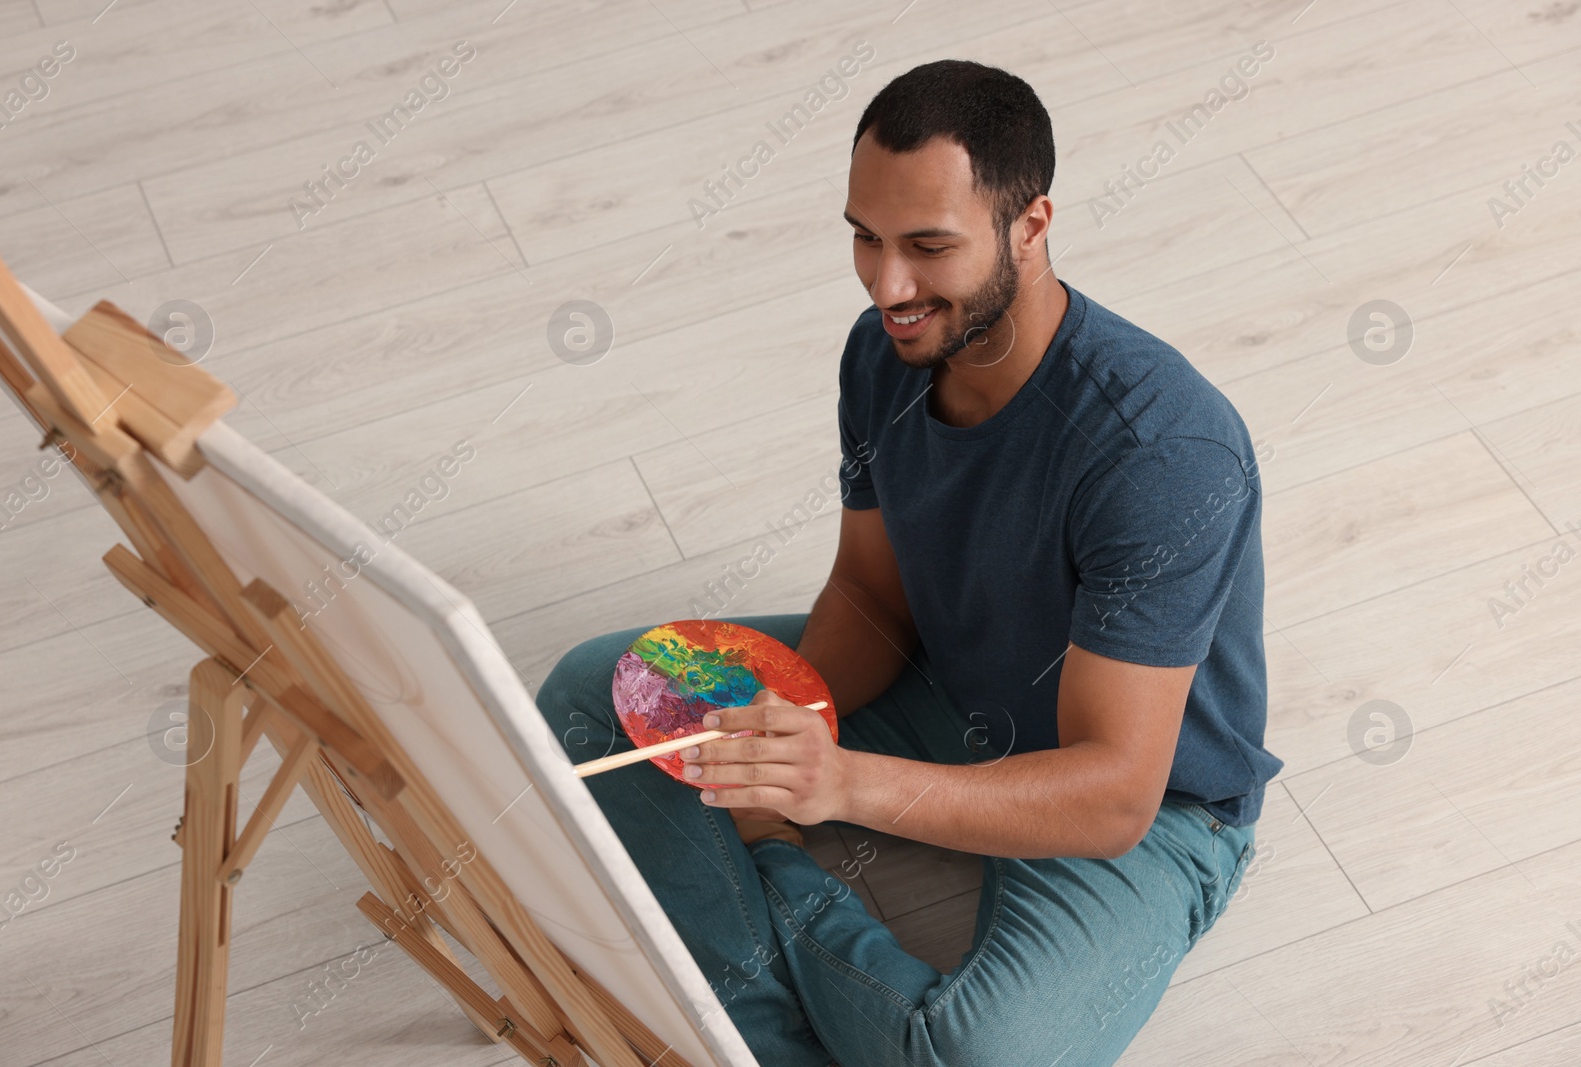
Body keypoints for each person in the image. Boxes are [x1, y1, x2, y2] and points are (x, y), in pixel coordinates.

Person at [536, 58, 1284, 1067]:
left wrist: (824, 790)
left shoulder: (1160, 454)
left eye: (928, 247)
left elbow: (1113, 792)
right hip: (944, 683)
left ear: (1031, 225)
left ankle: (761, 911)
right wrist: (787, 717)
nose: (888, 287)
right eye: (864, 237)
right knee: (596, 693)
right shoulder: (886, 350)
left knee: (978, 1053)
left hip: (1138, 801)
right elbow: (869, 594)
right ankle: (760, 1030)